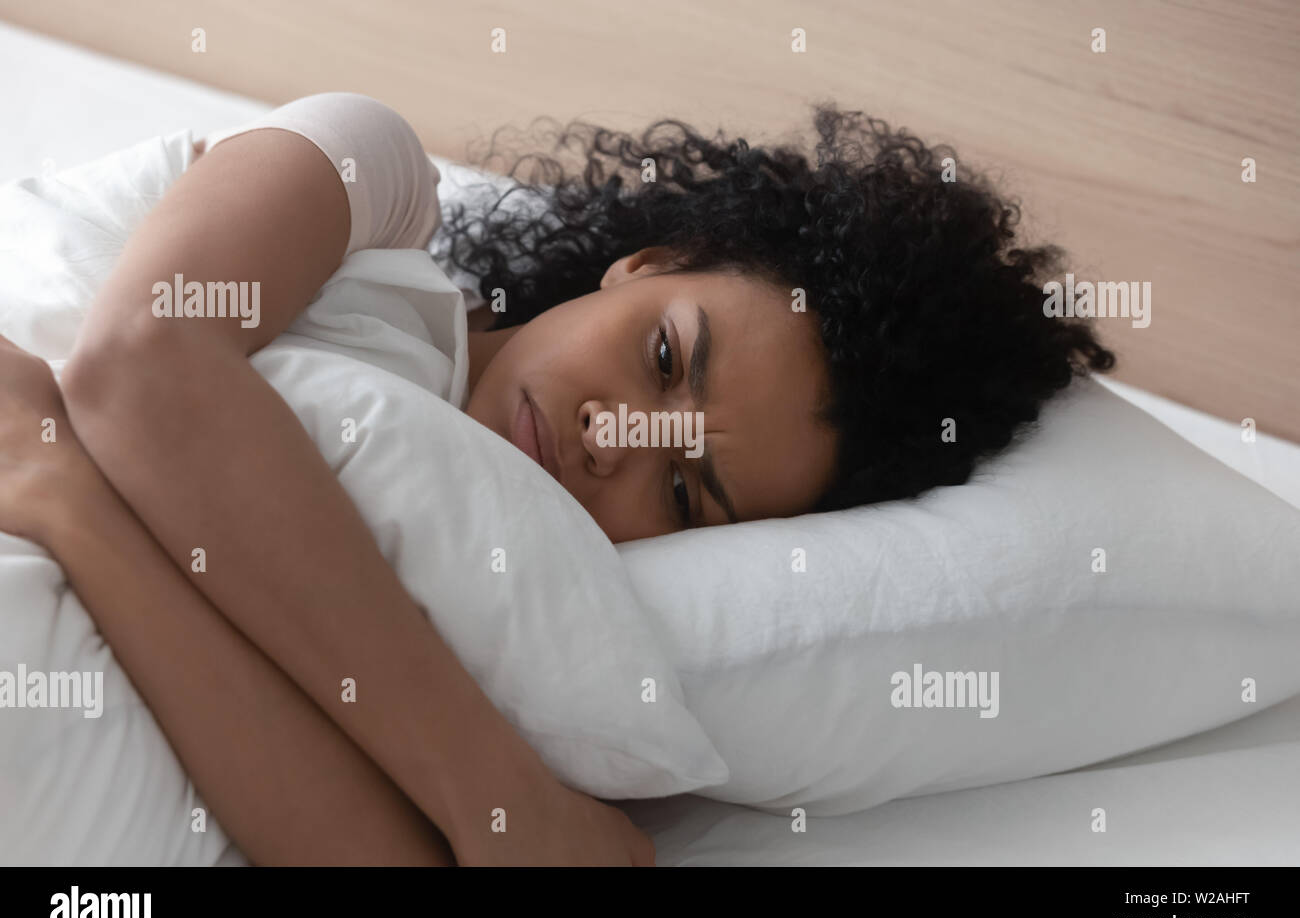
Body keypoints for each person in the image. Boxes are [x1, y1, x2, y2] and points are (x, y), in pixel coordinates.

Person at [0, 93, 1113, 865]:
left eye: (684, 492)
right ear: (645, 263)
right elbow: (142, 359)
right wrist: (499, 796)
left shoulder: (521, 647)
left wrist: (69, 497)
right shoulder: (367, 187)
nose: (614, 437)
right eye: (664, 356)